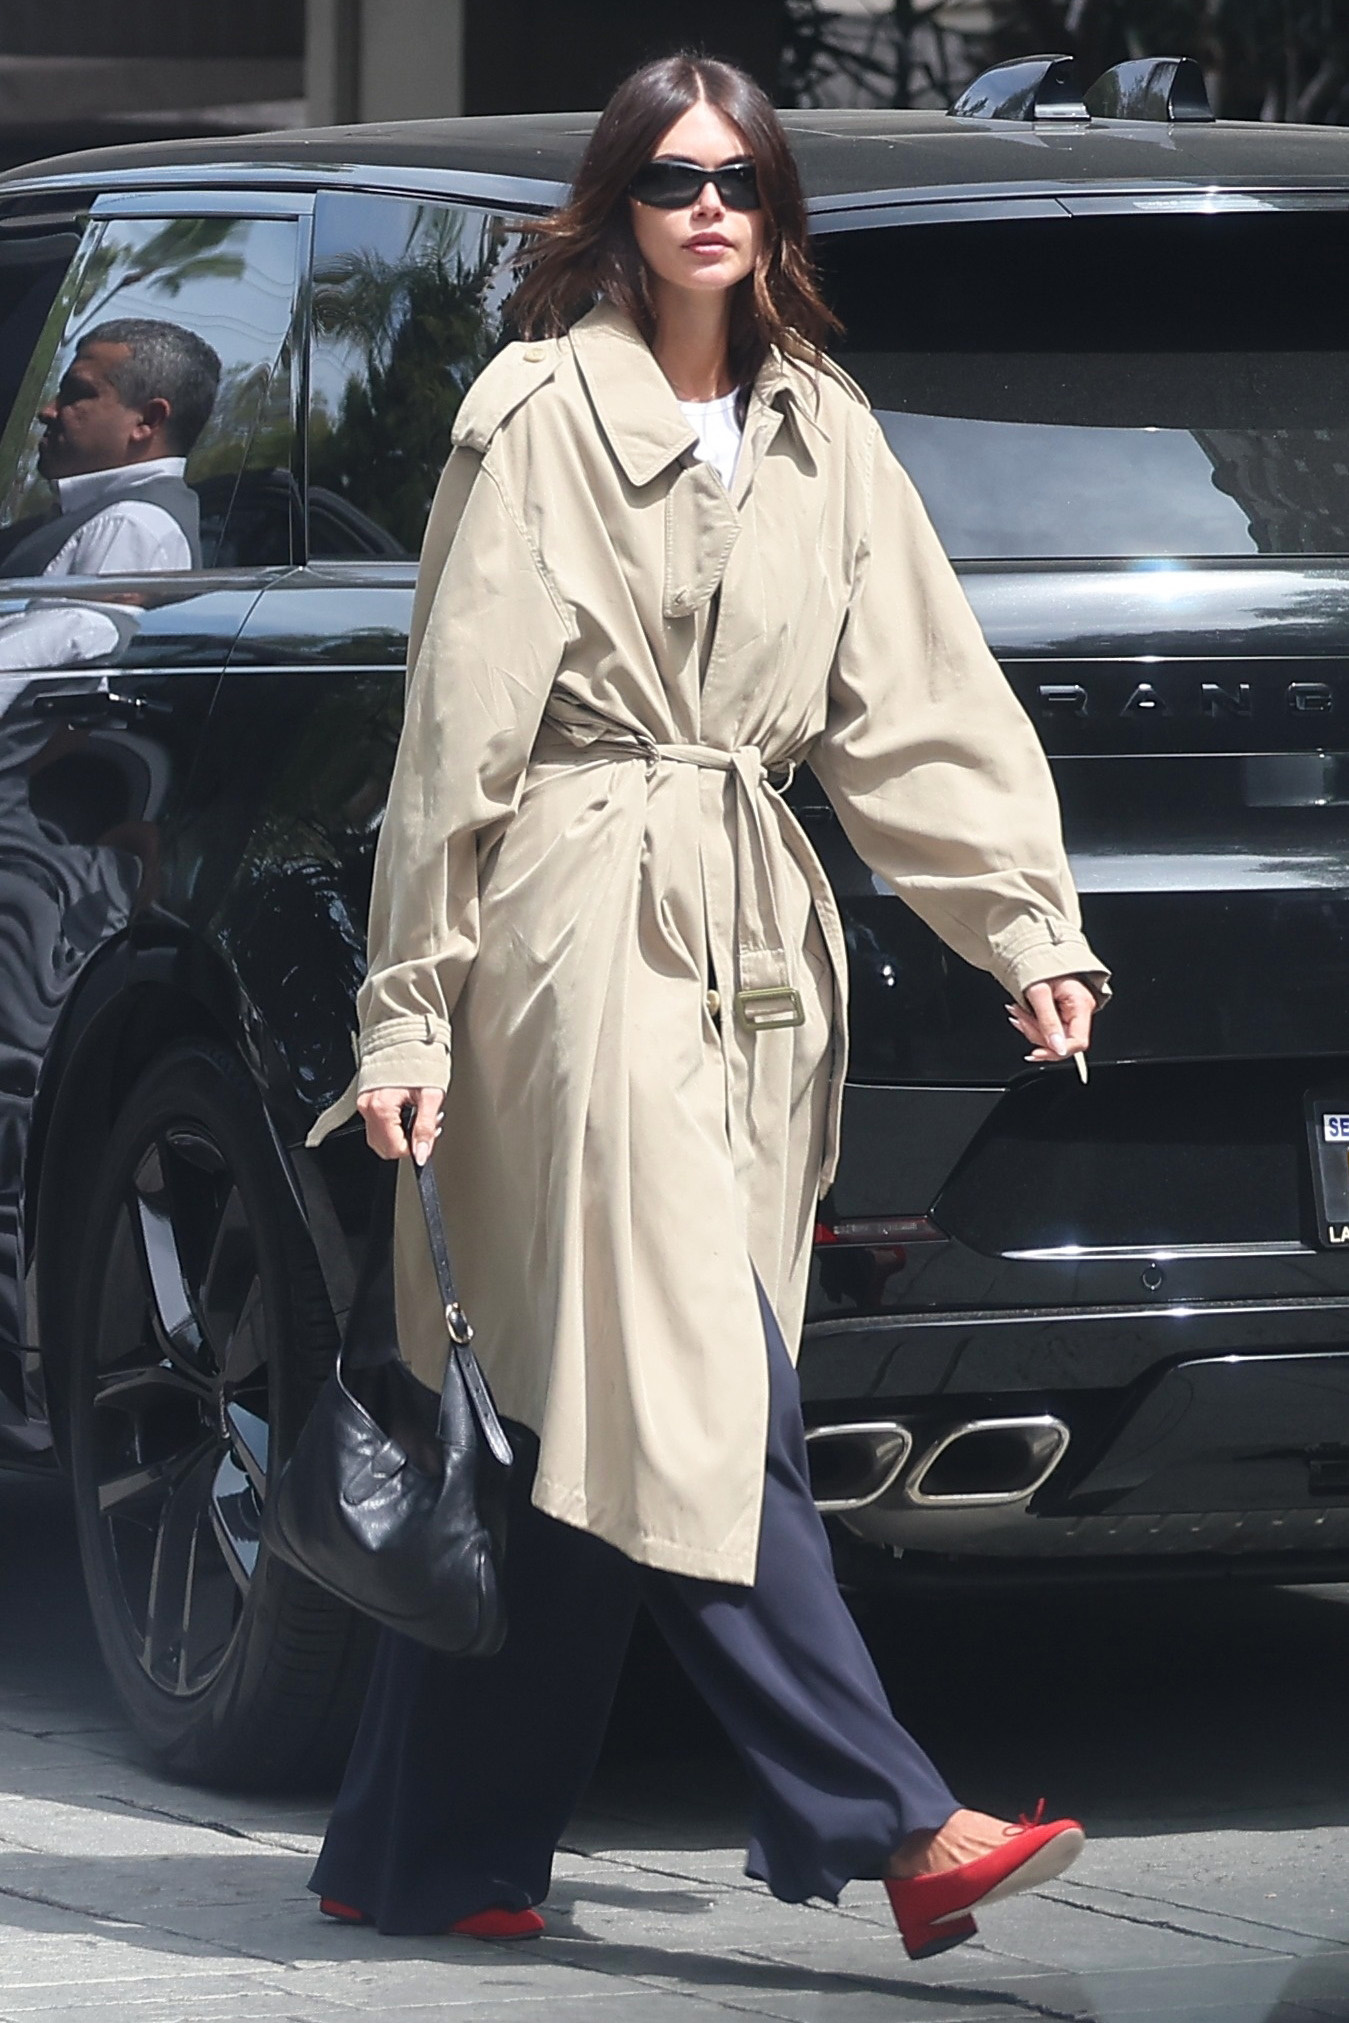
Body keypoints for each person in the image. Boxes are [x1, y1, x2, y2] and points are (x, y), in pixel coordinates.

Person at [305, 53, 1110, 1964]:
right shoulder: (534, 412)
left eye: (739, 175)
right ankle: (892, 1814)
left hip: (755, 947)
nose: (707, 206)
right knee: (688, 1381)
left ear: (773, 207)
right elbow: (456, 737)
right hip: (572, 937)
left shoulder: (822, 427)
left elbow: (915, 695)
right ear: (619, 201)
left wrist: (1024, 928)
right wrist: (406, 1010)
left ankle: (421, 1845)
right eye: (670, 177)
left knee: (598, 1403)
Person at [0, 318, 220, 674]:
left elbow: (62, 686)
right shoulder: (104, 517)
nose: (48, 410)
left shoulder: (128, 527)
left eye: (77, 393)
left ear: (146, 420)